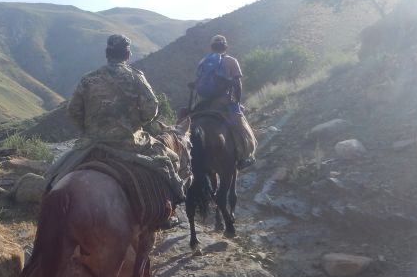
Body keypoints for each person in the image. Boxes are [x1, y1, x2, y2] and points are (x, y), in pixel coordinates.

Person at [44, 34, 187, 204]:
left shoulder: (88, 78)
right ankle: (168, 209)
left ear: (107, 53)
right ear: (127, 55)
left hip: (91, 142)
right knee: (173, 159)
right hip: (130, 141)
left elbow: (73, 109)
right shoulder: (136, 76)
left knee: (54, 174)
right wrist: (137, 124)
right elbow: (152, 106)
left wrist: (87, 130)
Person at [190, 34, 257, 169]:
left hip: (202, 104)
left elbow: (198, 84)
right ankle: (246, 155)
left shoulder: (203, 62)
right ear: (226, 47)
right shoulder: (231, 61)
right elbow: (238, 84)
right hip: (224, 102)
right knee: (241, 125)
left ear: (211, 47)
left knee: (185, 124)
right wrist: (237, 102)